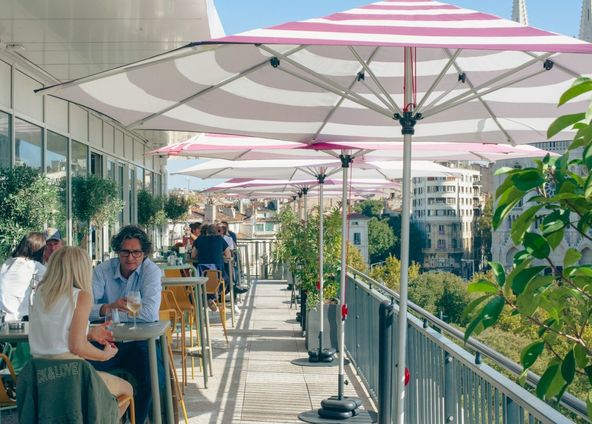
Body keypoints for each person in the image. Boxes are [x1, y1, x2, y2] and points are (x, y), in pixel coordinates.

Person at [28, 247, 133, 419]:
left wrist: (90, 333)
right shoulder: (81, 296)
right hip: (72, 376)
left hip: (41, 376)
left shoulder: (41, 291)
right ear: (81, 268)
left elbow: (56, 332)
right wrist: (104, 355)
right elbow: (76, 346)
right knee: (127, 389)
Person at [90, 225, 163, 424]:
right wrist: (109, 306)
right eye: (125, 252)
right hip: (108, 340)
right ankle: (103, 417)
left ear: (144, 253)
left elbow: (149, 313)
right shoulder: (103, 270)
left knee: (155, 378)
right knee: (80, 370)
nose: (130, 258)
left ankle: (135, 420)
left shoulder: (152, 272)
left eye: (136, 252)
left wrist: (110, 312)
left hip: (141, 342)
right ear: (118, 251)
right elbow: (85, 308)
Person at [0, 232, 46, 321]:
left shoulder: (7, 263)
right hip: (17, 318)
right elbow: (55, 278)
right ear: (39, 250)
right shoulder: (32, 265)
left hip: (3, 317)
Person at [193, 224, 231, 310]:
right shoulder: (220, 239)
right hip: (217, 275)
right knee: (227, 280)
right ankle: (213, 297)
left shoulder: (200, 239)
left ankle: (208, 297)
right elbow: (228, 255)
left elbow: (193, 255)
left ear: (206, 232)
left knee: (205, 282)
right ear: (217, 232)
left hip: (201, 275)